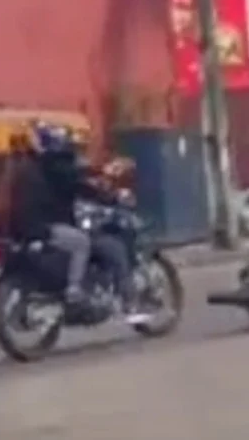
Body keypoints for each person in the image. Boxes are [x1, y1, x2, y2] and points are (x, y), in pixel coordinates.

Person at [8, 122, 151, 324]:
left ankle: (85, 291)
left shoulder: (33, 168)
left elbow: (78, 184)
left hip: (25, 227)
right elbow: (80, 185)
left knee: (83, 241)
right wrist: (109, 195)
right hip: (43, 226)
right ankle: (76, 291)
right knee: (84, 242)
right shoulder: (56, 168)